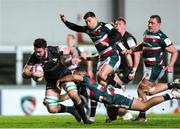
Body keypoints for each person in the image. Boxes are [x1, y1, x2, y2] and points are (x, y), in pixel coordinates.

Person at [22, 38, 92, 124]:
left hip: (64, 74)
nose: (37, 54)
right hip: (51, 81)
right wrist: (32, 74)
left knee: (73, 94)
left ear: (45, 49)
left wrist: (74, 56)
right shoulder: (34, 58)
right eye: (36, 51)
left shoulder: (53, 50)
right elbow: (24, 73)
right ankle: (71, 110)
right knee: (51, 109)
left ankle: (85, 120)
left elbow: (71, 49)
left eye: (39, 51)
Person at [127, 15, 179, 122]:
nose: (150, 25)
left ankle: (142, 116)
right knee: (148, 91)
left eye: (152, 23)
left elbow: (174, 51)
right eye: (149, 22)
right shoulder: (147, 32)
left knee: (141, 89)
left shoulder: (162, 37)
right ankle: (173, 86)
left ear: (158, 24)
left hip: (155, 68)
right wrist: (133, 50)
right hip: (149, 67)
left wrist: (171, 65)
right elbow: (143, 45)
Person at [56, 72, 180, 117]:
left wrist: (60, 80)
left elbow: (72, 76)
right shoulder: (79, 89)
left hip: (115, 97)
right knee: (112, 117)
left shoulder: (84, 79)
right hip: (110, 100)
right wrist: (53, 101)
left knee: (143, 106)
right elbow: (65, 97)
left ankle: (172, 94)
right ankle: (125, 114)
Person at [60, 11, 122, 87]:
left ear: (94, 18)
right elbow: (76, 27)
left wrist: (108, 43)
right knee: (101, 82)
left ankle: (120, 87)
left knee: (101, 75)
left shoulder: (105, 26)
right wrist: (65, 21)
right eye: (86, 22)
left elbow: (118, 35)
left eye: (89, 21)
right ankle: (115, 93)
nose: (88, 24)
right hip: (102, 58)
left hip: (112, 56)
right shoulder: (88, 30)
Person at [105, 17, 141, 122]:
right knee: (109, 89)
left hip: (126, 70)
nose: (117, 26)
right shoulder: (115, 38)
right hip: (117, 69)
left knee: (111, 87)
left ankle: (124, 111)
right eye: (116, 24)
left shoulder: (128, 38)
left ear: (124, 26)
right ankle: (118, 113)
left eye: (120, 24)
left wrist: (133, 70)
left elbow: (137, 53)